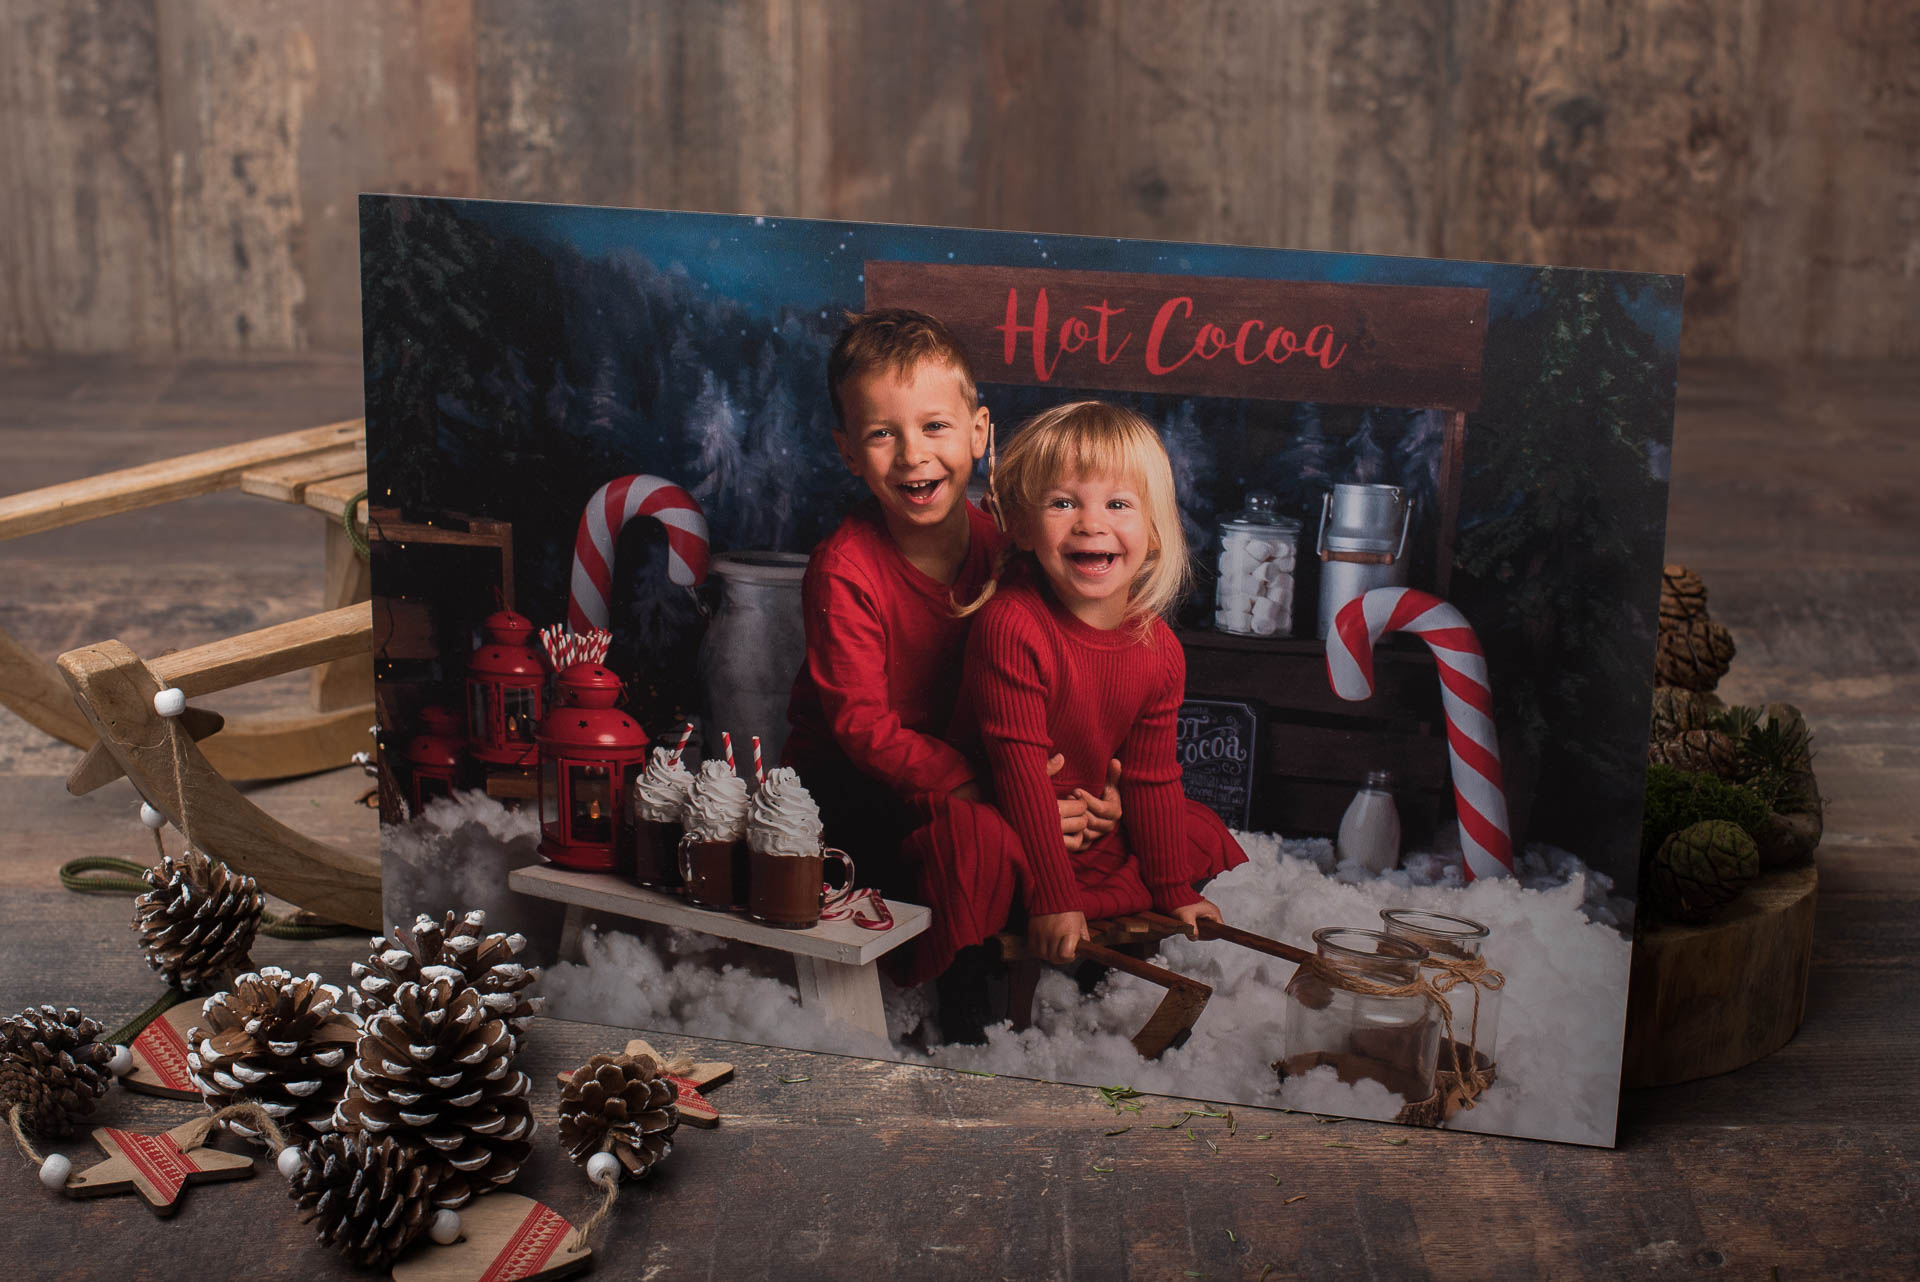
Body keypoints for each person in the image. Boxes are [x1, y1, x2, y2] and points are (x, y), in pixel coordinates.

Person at [899, 400, 1248, 1010]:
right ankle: (972, 989)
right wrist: (1054, 898)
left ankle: (1107, 958)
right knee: (972, 848)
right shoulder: (1013, 624)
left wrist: (1171, 888)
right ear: (1026, 530)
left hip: (1084, 819)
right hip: (1010, 813)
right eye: (1064, 503)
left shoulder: (1157, 647)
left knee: (1191, 827)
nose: (1091, 524)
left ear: (1155, 531)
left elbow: (1150, 774)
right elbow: (1019, 770)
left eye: (1118, 504)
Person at [782, 310, 1120, 901]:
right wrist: (991, 790)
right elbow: (863, 728)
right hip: (857, 791)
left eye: (935, 425)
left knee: (1112, 836)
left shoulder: (1008, 551)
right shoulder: (845, 569)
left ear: (979, 431)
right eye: (882, 433)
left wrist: (1087, 788)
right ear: (849, 453)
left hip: (983, 770)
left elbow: (1057, 676)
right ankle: (963, 976)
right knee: (984, 842)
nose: (913, 455)